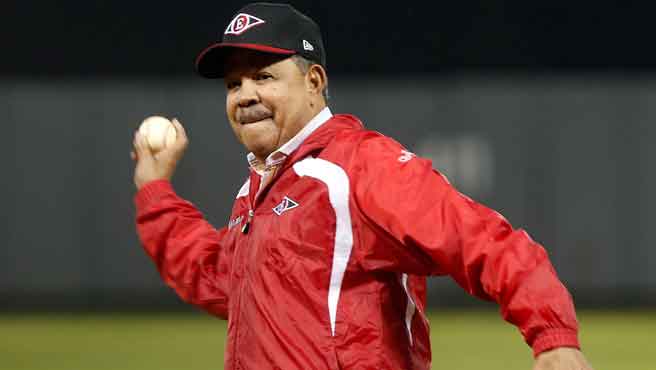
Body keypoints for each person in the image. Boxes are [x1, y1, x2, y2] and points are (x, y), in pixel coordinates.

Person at [131, 3, 593, 369]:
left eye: (264, 76)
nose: (245, 94)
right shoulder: (260, 186)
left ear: (314, 82)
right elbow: (221, 281)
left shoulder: (356, 167)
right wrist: (156, 191)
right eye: (234, 83)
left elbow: (481, 239)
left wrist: (552, 337)